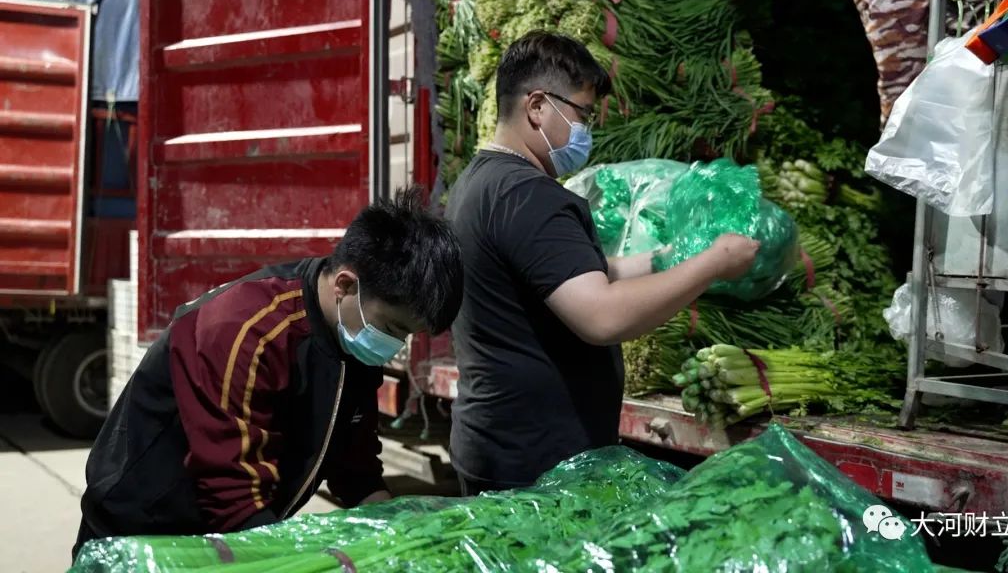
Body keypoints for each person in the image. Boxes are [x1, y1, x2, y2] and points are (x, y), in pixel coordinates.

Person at [445, 31, 760, 496]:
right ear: (537, 106)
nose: (586, 130)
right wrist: (714, 263)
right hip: (537, 465)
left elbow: (573, 275)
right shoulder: (529, 196)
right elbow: (601, 315)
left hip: (498, 445)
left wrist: (668, 258)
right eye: (582, 113)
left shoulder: (478, 184)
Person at [72, 187, 463, 560]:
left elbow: (355, 469)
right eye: (393, 328)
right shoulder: (246, 331)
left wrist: (404, 536)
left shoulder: (352, 340)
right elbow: (233, 497)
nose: (395, 345)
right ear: (345, 285)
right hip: (144, 534)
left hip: (229, 534)